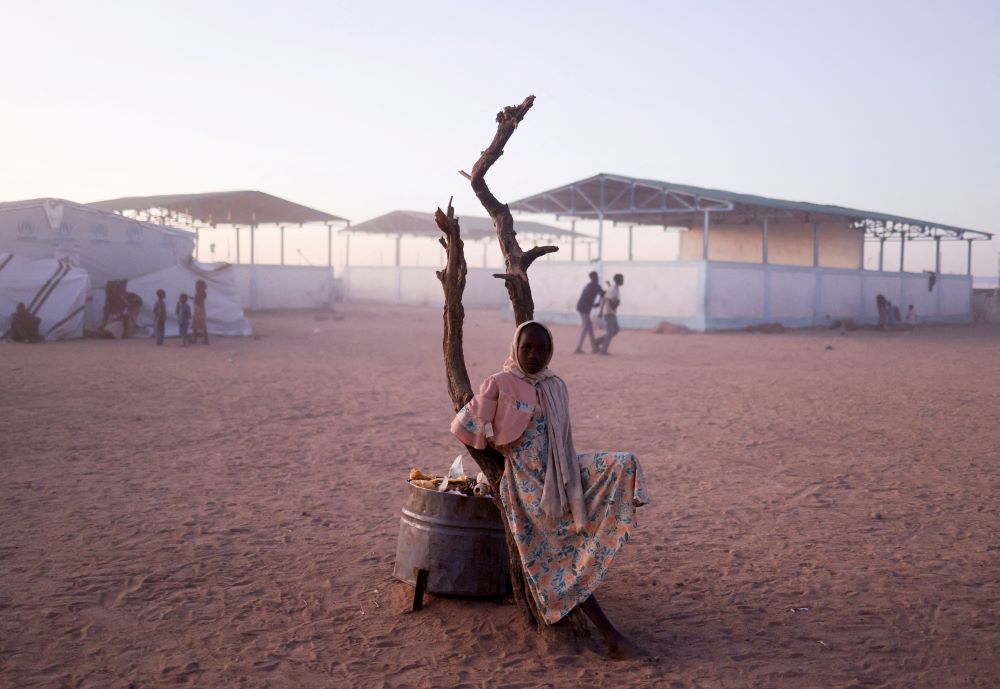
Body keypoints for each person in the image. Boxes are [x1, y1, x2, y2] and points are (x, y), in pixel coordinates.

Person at [451, 321, 649, 659]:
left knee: (623, 463)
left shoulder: (555, 385)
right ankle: (610, 636)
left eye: (541, 349)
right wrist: (497, 454)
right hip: (527, 483)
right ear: (516, 347)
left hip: (562, 470)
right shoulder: (499, 383)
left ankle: (608, 630)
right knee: (564, 552)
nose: (533, 355)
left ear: (550, 352)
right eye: (527, 347)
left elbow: (565, 438)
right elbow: (463, 427)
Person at [574, 271, 605, 354]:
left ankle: (594, 347)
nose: (597, 278)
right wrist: (598, 303)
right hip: (584, 309)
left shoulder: (589, 285)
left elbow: (588, 297)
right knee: (586, 327)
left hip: (582, 307)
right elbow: (603, 294)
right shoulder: (595, 285)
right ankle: (579, 348)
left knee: (590, 328)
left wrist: (596, 303)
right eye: (596, 277)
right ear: (595, 278)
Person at [593, 273, 624, 355]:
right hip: (608, 312)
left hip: (612, 312)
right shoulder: (613, 289)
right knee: (610, 331)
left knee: (616, 330)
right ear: (618, 280)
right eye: (621, 279)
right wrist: (600, 311)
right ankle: (603, 351)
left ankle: (597, 341)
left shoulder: (616, 288)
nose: (623, 281)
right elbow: (604, 299)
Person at [192, 279, 209, 345]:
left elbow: (198, 302)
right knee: (197, 325)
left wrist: (194, 300)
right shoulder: (201, 293)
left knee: (199, 325)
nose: (195, 286)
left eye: (197, 285)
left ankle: (202, 340)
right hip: (199, 310)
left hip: (199, 310)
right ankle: (198, 339)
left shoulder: (200, 293)